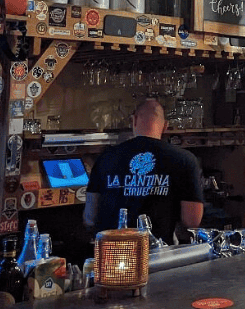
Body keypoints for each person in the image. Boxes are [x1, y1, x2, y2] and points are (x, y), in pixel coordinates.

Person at [84, 98, 203, 242]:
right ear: (165, 126)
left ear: (133, 120)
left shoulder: (105, 157)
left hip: (112, 250)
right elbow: (192, 221)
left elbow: (90, 216)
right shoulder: (184, 159)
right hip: (159, 250)